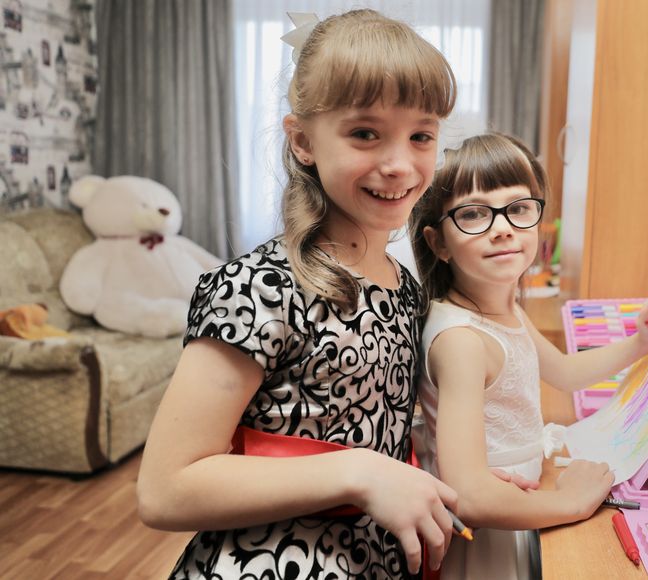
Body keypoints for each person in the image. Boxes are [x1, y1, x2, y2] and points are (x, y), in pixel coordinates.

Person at [137, 10, 463, 578]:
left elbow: (377, 429)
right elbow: (165, 489)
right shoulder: (259, 288)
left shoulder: (403, 288)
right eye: (365, 133)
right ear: (303, 141)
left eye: (421, 136)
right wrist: (360, 472)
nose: (399, 164)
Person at [408, 133, 648, 579]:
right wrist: (570, 501)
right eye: (474, 213)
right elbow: (469, 493)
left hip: (525, 507)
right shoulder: (462, 342)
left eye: (518, 208)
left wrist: (642, 343)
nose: (503, 227)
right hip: (494, 536)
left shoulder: (504, 311)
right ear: (438, 242)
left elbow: (565, 372)